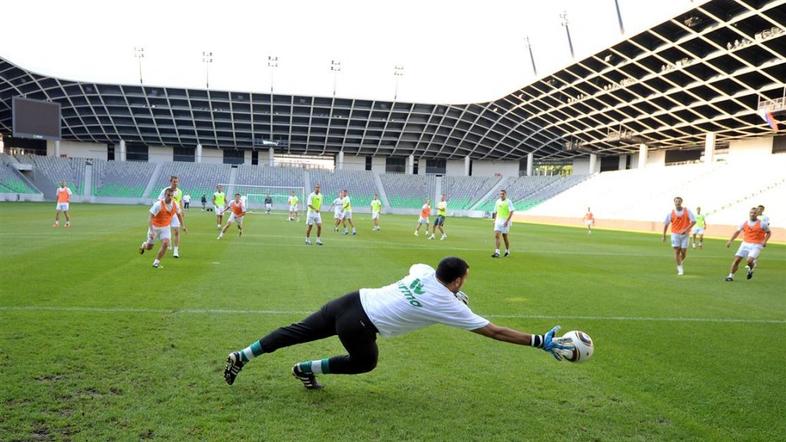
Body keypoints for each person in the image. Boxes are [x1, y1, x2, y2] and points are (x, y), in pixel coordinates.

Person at [223, 257, 575, 389]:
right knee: (366, 362)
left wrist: (450, 294)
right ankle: (305, 368)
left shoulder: (425, 272)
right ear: (456, 282)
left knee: (295, 331)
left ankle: (243, 354)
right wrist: (537, 341)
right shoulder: (446, 302)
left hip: (349, 300)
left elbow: (417, 267)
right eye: (463, 280)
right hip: (360, 323)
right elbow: (493, 331)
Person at [139, 188, 186, 269]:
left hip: (165, 228)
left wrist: (183, 225)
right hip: (154, 227)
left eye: (171, 195)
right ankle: (144, 245)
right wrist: (152, 231)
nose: (170, 197)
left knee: (166, 243)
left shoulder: (175, 204)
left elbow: (179, 214)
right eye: (168, 195)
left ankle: (156, 263)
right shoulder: (158, 204)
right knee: (149, 247)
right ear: (165, 195)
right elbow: (150, 217)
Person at [725, 207, 771, 281]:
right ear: (749, 213)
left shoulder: (762, 224)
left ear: (757, 214)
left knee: (749, 261)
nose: (752, 214)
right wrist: (730, 241)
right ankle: (730, 276)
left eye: (754, 213)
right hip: (745, 243)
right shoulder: (744, 223)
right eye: (751, 213)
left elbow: (768, 232)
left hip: (757, 245)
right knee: (736, 260)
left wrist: (765, 241)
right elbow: (737, 232)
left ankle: (751, 269)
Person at [661, 196, 695, 276]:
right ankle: (680, 268)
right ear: (674, 202)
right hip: (675, 234)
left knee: (683, 252)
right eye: (676, 201)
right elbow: (666, 224)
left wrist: (686, 229)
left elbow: (693, 221)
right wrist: (664, 235)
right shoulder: (670, 213)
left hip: (685, 235)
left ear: (681, 202)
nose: (678, 202)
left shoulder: (687, 211)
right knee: (677, 251)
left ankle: (680, 262)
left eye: (679, 201)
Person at [159, 176, 184, 258]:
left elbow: (179, 201)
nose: (176, 183)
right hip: (166, 213)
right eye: (174, 182)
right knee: (166, 230)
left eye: (177, 182)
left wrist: (181, 210)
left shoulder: (179, 191)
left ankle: (176, 250)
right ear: (170, 182)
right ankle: (168, 242)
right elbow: (159, 200)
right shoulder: (165, 190)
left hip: (175, 213)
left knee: (177, 231)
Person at [492, 190, 515, 258]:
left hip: (505, 221)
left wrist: (507, 221)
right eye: (500, 194)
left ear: (505, 194)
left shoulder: (508, 201)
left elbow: (511, 211)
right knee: (497, 235)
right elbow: (495, 211)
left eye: (503, 194)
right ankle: (497, 252)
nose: (501, 195)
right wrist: (494, 220)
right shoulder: (497, 201)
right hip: (498, 221)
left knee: (505, 237)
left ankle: (507, 250)